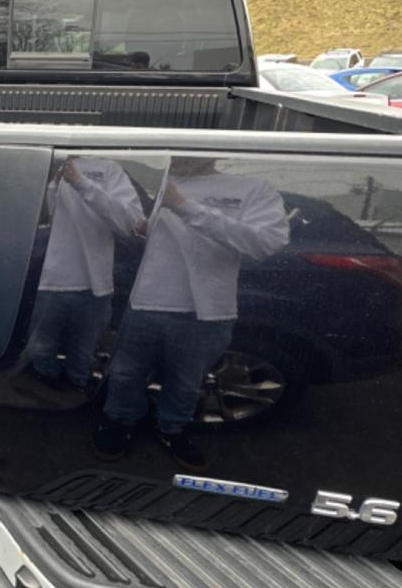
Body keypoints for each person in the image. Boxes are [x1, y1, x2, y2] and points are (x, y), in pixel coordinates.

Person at [93, 156, 289, 468]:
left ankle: (171, 428)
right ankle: (119, 421)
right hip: (145, 304)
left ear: (212, 150)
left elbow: (268, 243)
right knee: (125, 375)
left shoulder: (251, 188)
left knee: (185, 383)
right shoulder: (162, 180)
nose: (178, 156)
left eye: (189, 150)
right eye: (174, 152)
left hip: (207, 312)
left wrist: (186, 207)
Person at [24, 157, 144, 391]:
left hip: (95, 288)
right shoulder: (54, 160)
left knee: (82, 357)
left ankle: (74, 403)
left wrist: (80, 182)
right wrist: (56, 184)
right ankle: (49, 398)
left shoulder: (109, 168)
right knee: (39, 351)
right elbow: (49, 216)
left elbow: (131, 221)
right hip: (51, 283)